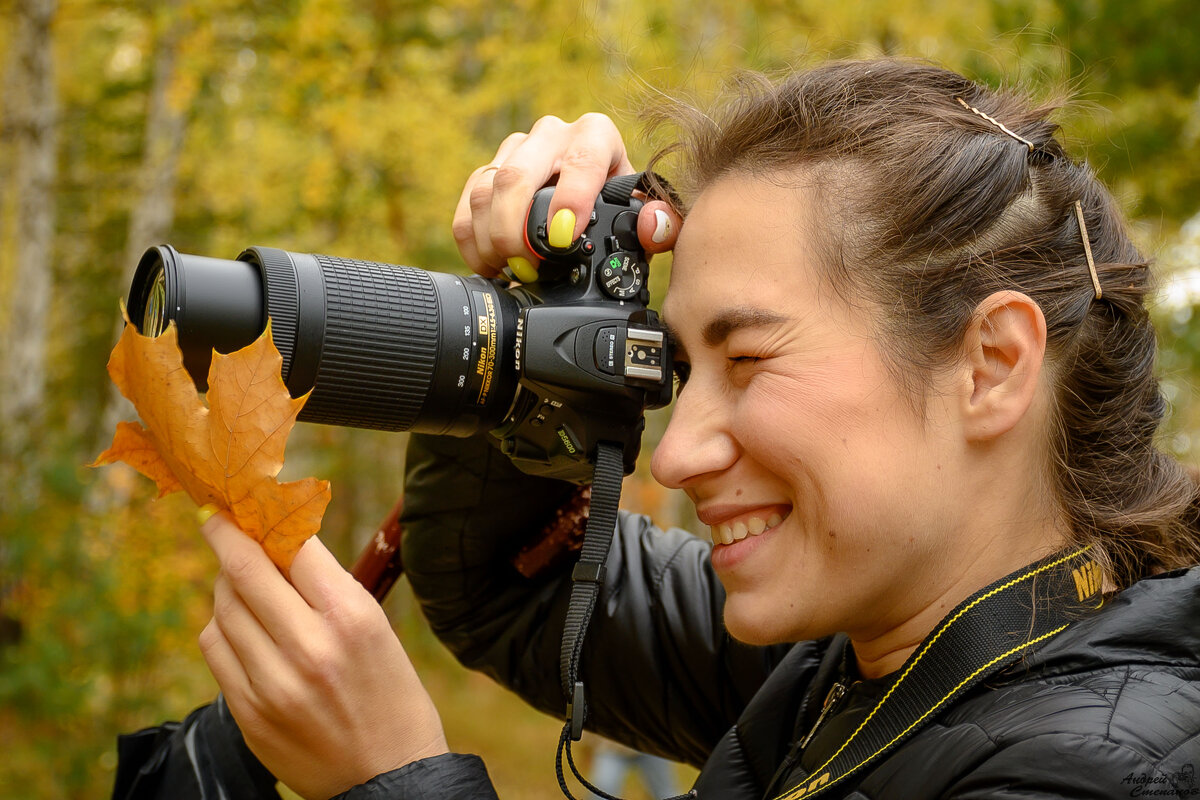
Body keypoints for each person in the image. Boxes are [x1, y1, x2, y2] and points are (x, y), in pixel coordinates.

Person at [114, 58, 1200, 800]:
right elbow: (518, 586)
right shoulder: (854, 660)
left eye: (749, 357)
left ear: (992, 363)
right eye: (680, 369)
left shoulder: (1107, 767)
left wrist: (395, 775)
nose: (675, 453)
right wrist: (537, 316)